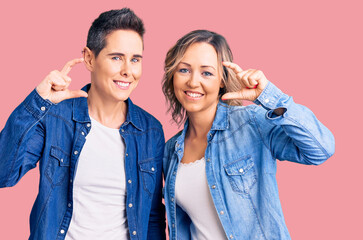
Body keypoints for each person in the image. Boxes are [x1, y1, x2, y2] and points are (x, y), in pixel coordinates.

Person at [0, 8, 165, 240]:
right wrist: (38, 102)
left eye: (135, 59)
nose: (128, 71)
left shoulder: (150, 131)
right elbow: (3, 173)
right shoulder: (56, 117)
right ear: (89, 58)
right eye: (116, 57)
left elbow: (152, 217)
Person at [162, 30, 335, 240]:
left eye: (206, 73)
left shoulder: (251, 123)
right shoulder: (171, 151)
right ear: (173, 75)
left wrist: (269, 96)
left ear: (222, 80)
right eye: (184, 70)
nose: (193, 82)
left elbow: (321, 149)